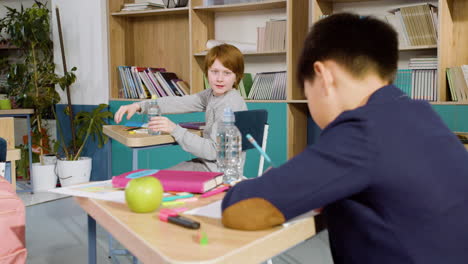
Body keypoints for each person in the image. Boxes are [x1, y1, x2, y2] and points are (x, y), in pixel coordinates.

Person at [221, 13, 468, 264]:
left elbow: (239, 208)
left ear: (323, 76)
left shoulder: (362, 130)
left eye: (307, 92)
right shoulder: (421, 114)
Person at [114, 44, 247, 172]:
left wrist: (174, 129)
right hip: (207, 164)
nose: (219, 79)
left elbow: (213, 151)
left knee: (156, 180)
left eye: (227, 73)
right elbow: (179, 102)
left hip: (218, 172)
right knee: (156, 178)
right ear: (207, 72)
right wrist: (138, 105)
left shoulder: (229, 104)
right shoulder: (211, 95)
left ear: (236, 77)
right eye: (214, 71)